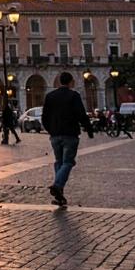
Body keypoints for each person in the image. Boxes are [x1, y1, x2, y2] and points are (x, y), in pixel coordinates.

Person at [41, 72, 94, 207]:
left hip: (55, 135)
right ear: (71, 82)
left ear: (58, 82)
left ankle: (59, 194)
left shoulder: (50, 96)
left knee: (59, 161)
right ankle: (58, 185)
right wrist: (88, 129)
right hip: (70, 134)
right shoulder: (73, 96)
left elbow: (44, 117)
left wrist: (51, 130)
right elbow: (81, 114)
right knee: (68, 162)